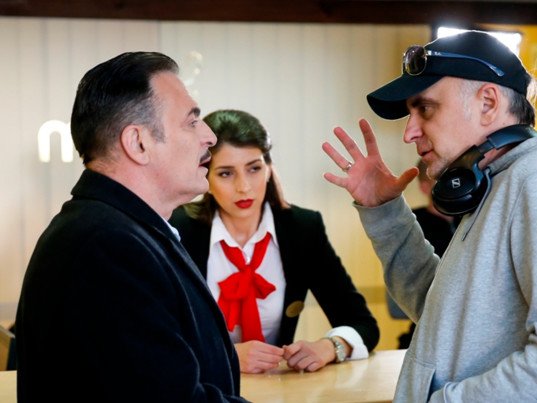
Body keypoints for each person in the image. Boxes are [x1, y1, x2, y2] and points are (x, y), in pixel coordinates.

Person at [15, 52, 249, 403]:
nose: (210, 136)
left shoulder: (121, 230)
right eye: (191, 122)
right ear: (138, 143)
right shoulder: (107, 248)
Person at [322, 30, 537, 401]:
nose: (409, 132)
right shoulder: (495, 185)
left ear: (488, 103)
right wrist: (385, 212)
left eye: (426, 108)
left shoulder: (529, 182)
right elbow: (442, 315)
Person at [169, 109, 379, 374]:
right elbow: (156, 336)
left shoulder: (302, 228)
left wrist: (330, 346)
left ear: (268, 169)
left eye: (254, 168)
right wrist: (225, 356)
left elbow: (362, 323)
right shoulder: (177, 229)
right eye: (225, 173)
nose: (244, 187)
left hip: (279, 386)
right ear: (205, 177)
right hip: (203, 385)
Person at [387, 158, 456, 349]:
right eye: (443, 180)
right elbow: (398, 304)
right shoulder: (411, 225)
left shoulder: (471, 221)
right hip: (424, 335)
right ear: (425, 188)